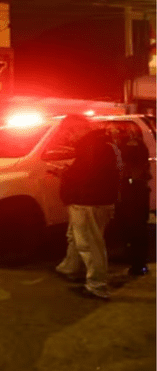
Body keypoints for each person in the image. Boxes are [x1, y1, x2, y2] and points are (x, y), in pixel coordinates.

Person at [55, 115, 120, 300]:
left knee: (90, 247)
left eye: (68, 133)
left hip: (88, 203)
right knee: (78, 239)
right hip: (97, 201)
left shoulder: (90, 146)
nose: (67, 138)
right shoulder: (102, 143)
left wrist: (65, 174)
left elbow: (87, 175)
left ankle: (97, 286)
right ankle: (71, 268)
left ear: (75, 129)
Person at [115, 125, 151, 276]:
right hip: (138, 188)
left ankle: (137, 264)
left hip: (133, 190)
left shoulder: (131, 145)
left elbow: (129, 166)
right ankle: (138, 262)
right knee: (137, 227)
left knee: (134, 228)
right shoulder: (138, 144)